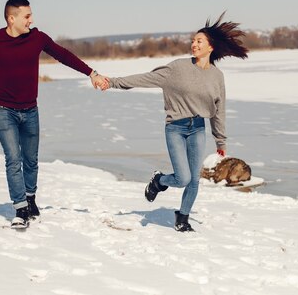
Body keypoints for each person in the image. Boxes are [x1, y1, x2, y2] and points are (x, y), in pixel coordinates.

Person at [101, 13, 248, 232]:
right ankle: (159, 181)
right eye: (193, 40)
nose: (194, 44)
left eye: (199, 41)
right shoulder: (177, 68)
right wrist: (111, 82)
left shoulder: (217, 77)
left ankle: (183, 218)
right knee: (182, 178)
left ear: (211, 47)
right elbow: (143, 78)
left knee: (194, 181)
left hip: (198, 128)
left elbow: (219, 110)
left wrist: (220, 140)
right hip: (176, 129)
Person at [0, 0, 107, 228]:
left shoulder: (37, 38)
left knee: (31, 160)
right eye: (27, 16)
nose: (31, 20)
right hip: (3, 110)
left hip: (30, 110)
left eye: (31, 15)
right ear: (11, 18)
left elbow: (63, 55)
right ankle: (20, 208)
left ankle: (31, 198)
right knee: (13, 159)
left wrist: (91, 73)